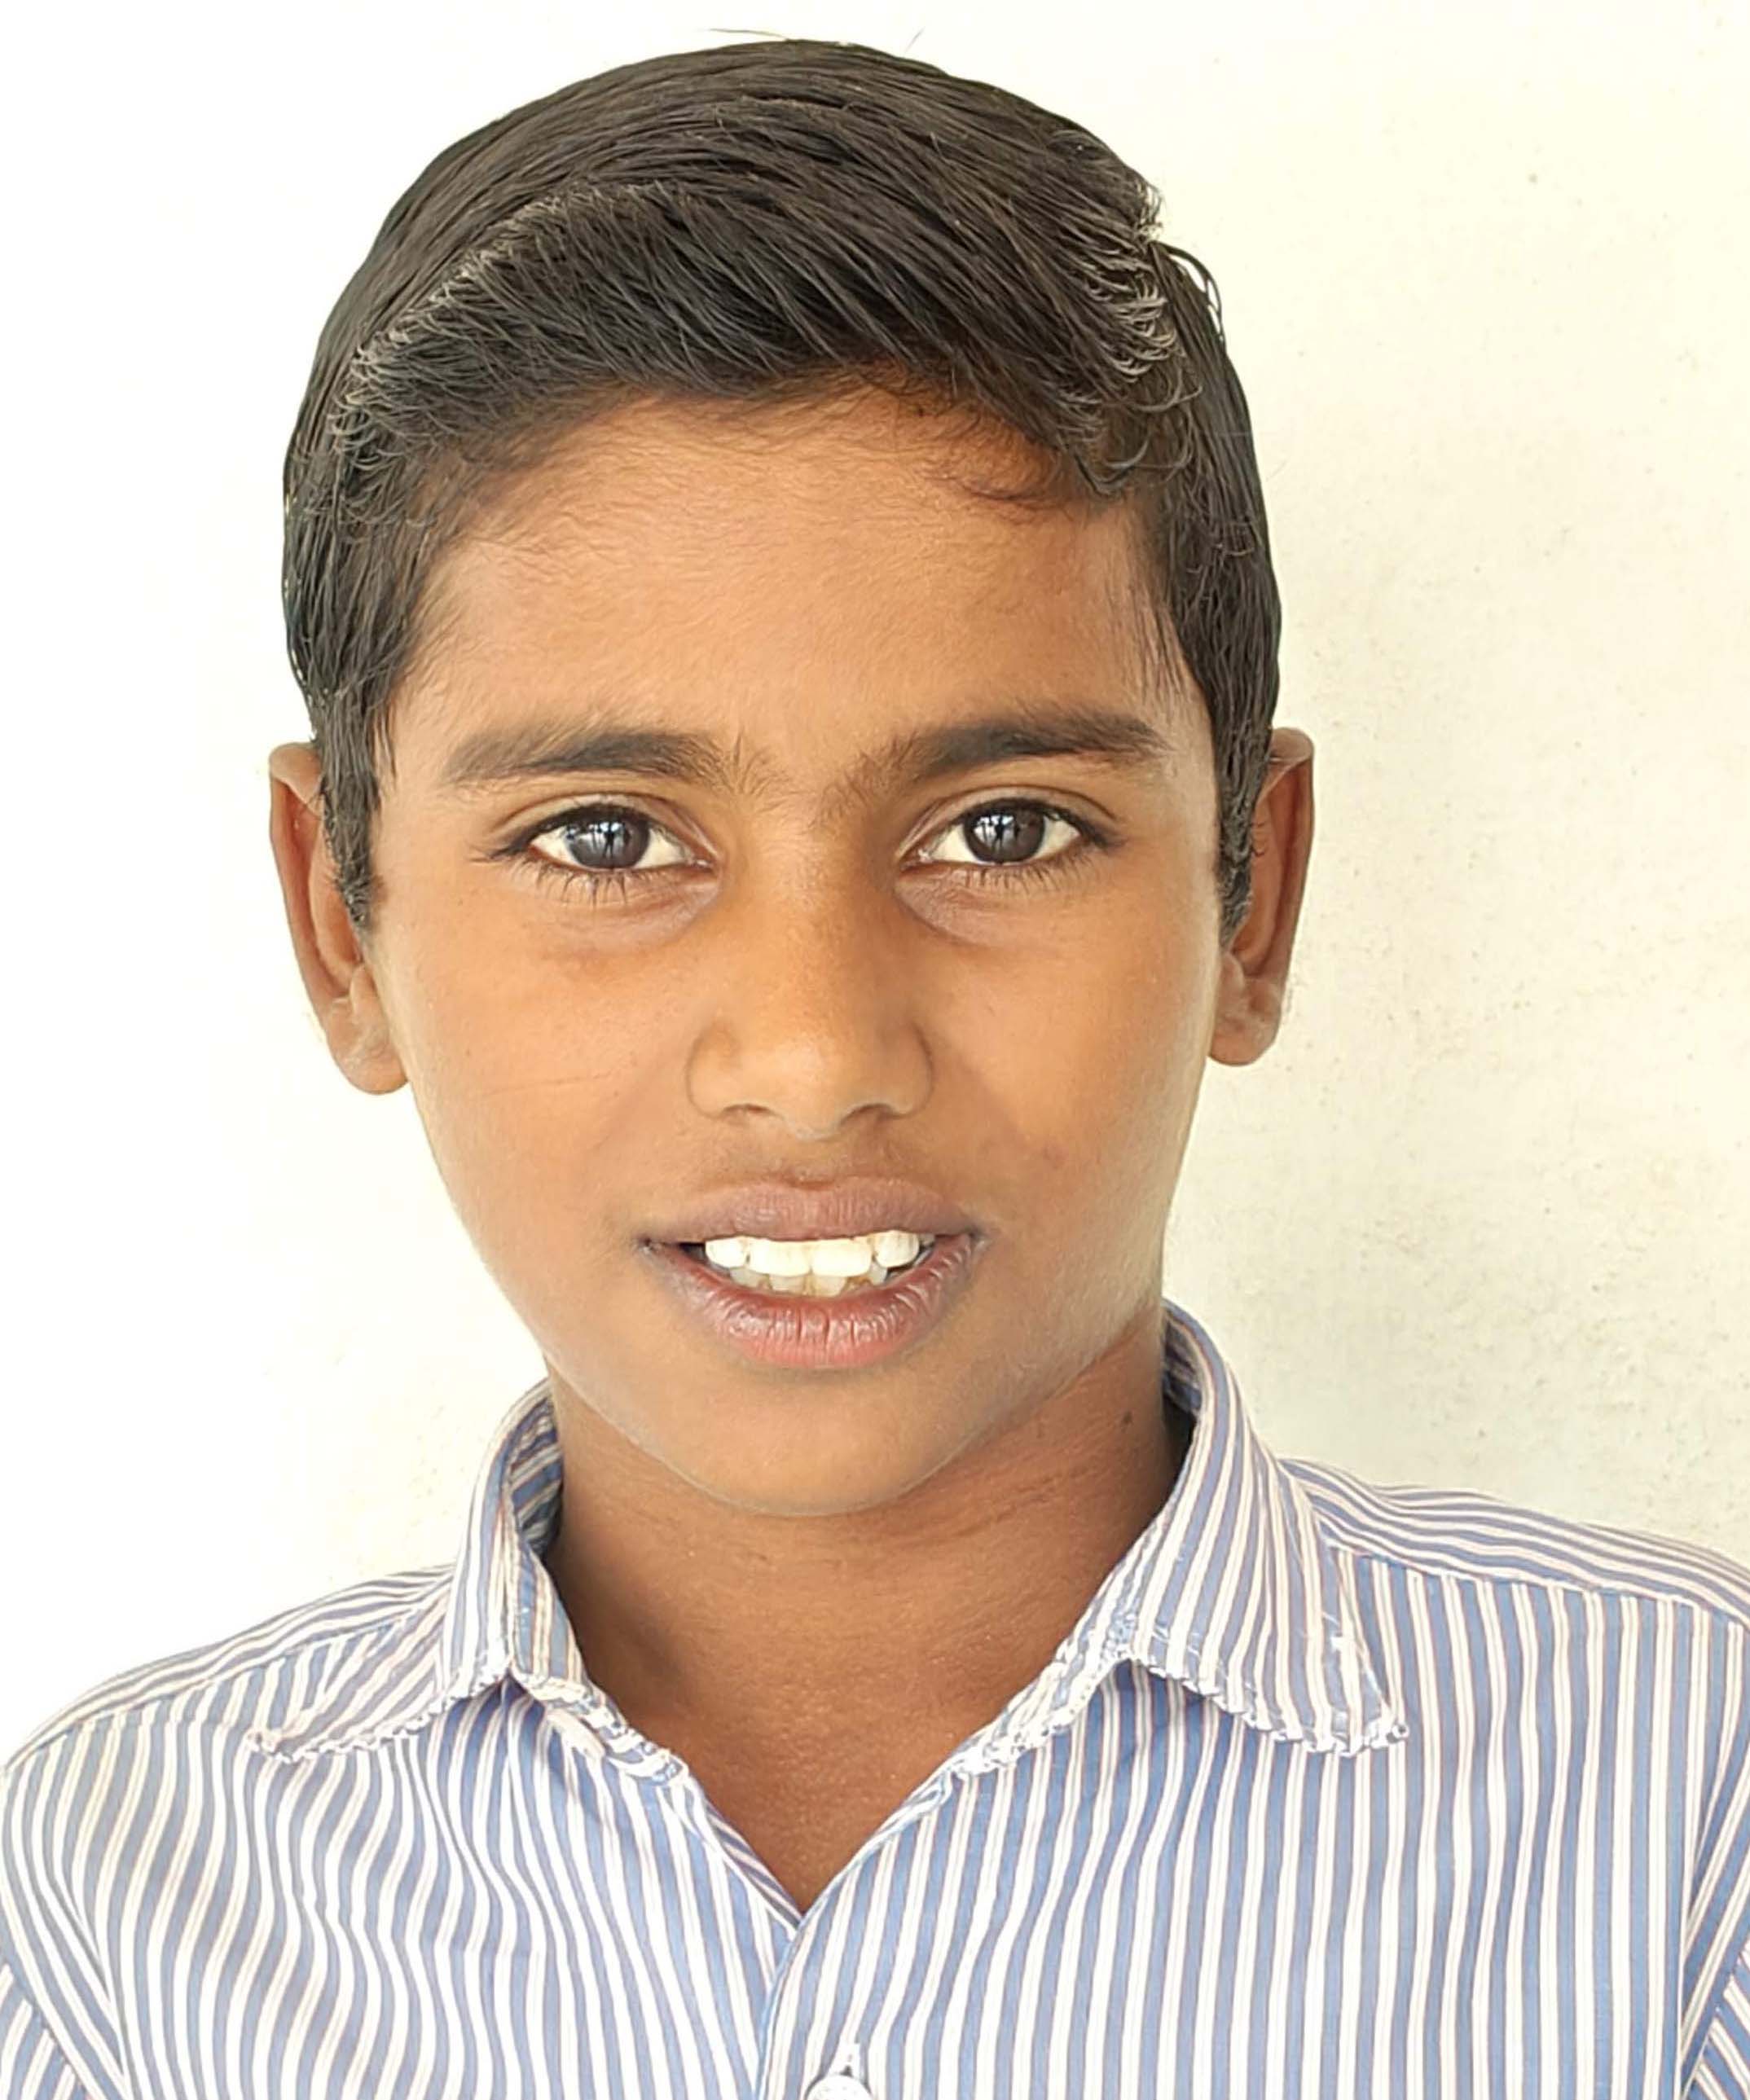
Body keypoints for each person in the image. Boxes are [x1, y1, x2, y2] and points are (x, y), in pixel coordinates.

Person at [2, 35, 1746, 2100]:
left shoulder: (1687, 1829)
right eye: (606, 838)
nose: (817, 1057)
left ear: (1250, 898)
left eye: (1002, 829)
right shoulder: (97, 1923)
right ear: (340, 926)